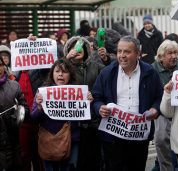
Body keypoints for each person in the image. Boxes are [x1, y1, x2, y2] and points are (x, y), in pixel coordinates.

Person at [92, 36, 163, 171]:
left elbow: (159, 97)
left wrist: (155, 110)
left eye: (127, 52)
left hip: (139, 136)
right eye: (119, 51)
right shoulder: (107, 73)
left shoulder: (150, 72)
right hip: (113, 136)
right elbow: (96, 97)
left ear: (137, 53)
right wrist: (99, 108)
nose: (122, 56)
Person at [31, 59, 93, 171]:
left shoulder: (79, 92)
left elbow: (87, 120)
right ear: (52, 74)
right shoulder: (42, 92)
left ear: (70, 75)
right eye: (57, 71)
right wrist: (39, 107)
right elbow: (34, 118)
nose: (60, 74)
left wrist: (89, 104)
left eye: (64, 71)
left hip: (72, 140)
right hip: (49, 140)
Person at [64, 36, 105, 171]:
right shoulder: (65, 67)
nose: (78, 48)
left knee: (95, 161)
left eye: (81, 46)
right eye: (74, 46)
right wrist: (66, 59)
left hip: (93, 121)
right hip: (74, 124)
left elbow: (109, 76)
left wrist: (107, 58)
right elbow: (54, 76)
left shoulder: (95, 66)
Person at [152, 40, 178, 171]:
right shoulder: (152, 70)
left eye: (176, 52)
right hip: (161, 114)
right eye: (170, 53)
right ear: (161, 56)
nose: (174, 56)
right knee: (161, 141)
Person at [0, 56, 29, 170]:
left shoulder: (14, 85)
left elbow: (25, 110)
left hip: (12, 145)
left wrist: (17, 115)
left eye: (0, 64)